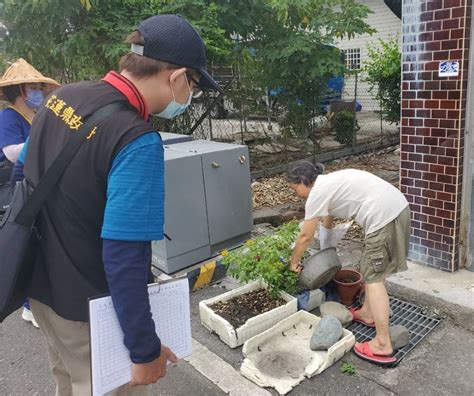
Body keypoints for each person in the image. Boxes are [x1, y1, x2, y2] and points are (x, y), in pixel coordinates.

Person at [13, 14, 222, 395]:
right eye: (192, 84)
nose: (189, 97)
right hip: (88, 314)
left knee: (69, 383)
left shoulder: (62, 97)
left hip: (41, 290)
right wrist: (143, 350)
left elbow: (21, 175)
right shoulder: (135, 140)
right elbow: (124, 255)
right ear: (176, 77)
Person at [287, 161, 410, 365]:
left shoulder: (317, 193)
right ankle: (368, 313)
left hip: (383, 217)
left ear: (302, 181)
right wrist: (327, 249)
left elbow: (305, 237)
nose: (295, 193)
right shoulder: (329, 183)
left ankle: (382, 343)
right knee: (373, 270)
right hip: (397, 208)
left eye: (294, 188)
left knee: (373, 279)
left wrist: (294, 262)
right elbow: (328, 219)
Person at [0, 58, 59, 328]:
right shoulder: (9, 116)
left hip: (41, 186)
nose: (38, 92)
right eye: (32, 87)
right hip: (22, 190)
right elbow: (11, 152)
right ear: (19, 91)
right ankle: (28, 305)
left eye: (39, 87)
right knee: (27, 244)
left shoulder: (36, 115)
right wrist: (43, 140)